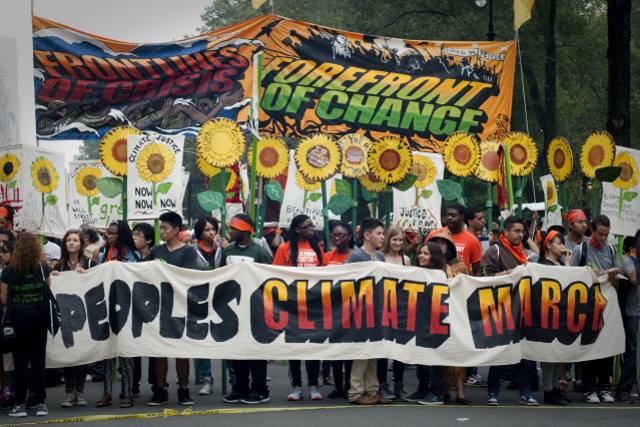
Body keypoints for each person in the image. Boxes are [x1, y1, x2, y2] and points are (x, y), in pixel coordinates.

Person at [146, 211, 207, 406]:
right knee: (159, 350)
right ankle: (161, 389)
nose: (161, 231)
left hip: (181, 307)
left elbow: (190, 276)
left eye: (164, 228)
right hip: (160, 307)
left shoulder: (188, 251)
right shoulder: (156, 252)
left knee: (182, 350)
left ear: (176, 230)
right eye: (160, 227)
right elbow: (141, 273)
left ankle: (183, 389)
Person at [482, 216, 538, 406]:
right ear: (505, 232)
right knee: (500, 352)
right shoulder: (495, 251)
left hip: (523, 310)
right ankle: (493, 391)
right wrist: (506, 275)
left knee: (523, 353)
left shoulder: (528, 255)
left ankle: (526, 391)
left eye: (522, 232)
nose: (520, 235)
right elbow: (483, 277)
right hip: (500, 310)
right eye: (516, 231)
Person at [220, 214, 273, 404]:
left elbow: (270, 280)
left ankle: (260, 389)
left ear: (243, 230)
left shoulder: (260, 253)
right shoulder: (227, 252)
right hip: (234, 310)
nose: (230, 232)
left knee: (257, 351)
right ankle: (240, 388)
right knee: (238, 350)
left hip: (256, 309)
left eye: (233, 228)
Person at [273, 215, 324, 401]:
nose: (312, 228)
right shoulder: (284, 249)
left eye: (312, 225)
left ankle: (312, 385)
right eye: (307, 226)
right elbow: (276, 274)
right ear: (297, 229)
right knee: (294, 347)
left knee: (313, 347)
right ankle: (296, 386)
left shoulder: (316, 248)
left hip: (313, 306)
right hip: (292, 306)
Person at [570, 214, 620, 404]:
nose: (603, 238)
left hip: (607, 306)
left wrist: (614, 277)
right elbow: (571, 277)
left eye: (606, 235)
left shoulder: (612, 251)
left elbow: (616, 283)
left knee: (606, 347)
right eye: (600, 234)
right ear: (592, 231)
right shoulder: (580, 250)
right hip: (586, 306)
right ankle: (589, 387)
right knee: (589, 347)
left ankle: (604, 387)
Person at [0, 233, 51, 417]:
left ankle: (20, 404)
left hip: (17, 320)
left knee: (20, 362)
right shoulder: (43, 266)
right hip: (40, 318)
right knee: (38, 361)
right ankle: (41, 404)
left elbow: (4, 299)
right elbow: (48, 291)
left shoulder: (8, 270)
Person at [345, 218, 391, 405]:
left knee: (374, 351)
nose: (382, 237)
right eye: (379, 233)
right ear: (366, 235)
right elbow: (347, 283)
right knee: (362, 351)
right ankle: (355, 392)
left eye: (382, 233)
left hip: (377, 311)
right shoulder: (357, 257)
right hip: (361, 311)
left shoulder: (380, 257)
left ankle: (372, 390)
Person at [95, 221, 139, 408]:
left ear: (122, 235)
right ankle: (107, 393)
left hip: (126, 309)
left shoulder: (132, 255)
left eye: (114, 234)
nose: (110, 237)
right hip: (106, 308)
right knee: (107, 353)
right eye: (108, 234)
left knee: (126, 354)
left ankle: (127, 393)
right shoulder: (103, 254)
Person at [52, 229, 94, 408]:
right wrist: (53, 277)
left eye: (75, 240)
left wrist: (87, 275)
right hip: (65, 316)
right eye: (68, 240)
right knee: (68, 353)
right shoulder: (59, 265)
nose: (71, 243)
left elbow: (96, 284)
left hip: (84, 315)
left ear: (81, 244)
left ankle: (81, 391)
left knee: (82, 354)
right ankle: (69, 393)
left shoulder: (90, 262)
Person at [427, 230, 470, 405]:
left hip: (457, 313)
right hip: (437, 314)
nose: (439, 245)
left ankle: (460, 393)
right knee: (441, 354)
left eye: (443, 242)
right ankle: (444, 390)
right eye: (436, 242)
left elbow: (468, 285)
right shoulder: (430, 267)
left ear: (450, 246)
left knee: (458, 354)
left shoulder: (459, 265)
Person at [403, 242, 446, 406]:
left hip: (434, 322)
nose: (421, 256)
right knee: (419, 358)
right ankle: (422, 389)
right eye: (420, 253)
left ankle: (437, 394)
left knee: (432, 359)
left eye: (426, 254)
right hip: (418, 320)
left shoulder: (440, 274)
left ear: (434, 257)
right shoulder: (416, 273)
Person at [537, 229, 571, 406]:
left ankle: (555, 387)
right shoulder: (544, 265)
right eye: (559, 243)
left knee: (557, 354)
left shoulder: (559, 264)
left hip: (560, 315)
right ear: (548, 245)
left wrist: (566, 262)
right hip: (548, 314)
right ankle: (548, 390)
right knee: (549, 355)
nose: (562, 247)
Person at [379, 225, 410, 400]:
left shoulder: (406, 260)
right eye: (394, 239)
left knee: (401, 350)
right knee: (383, 350)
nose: (397, 243)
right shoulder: (380, 259)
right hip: (384, 308)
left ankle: (399, 384)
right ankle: (383, 385)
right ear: (388, 240)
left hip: (402, 310)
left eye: (400, 240)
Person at [323, 221, 353, 399]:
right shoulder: (327, 257)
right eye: (334, 235)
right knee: (335, 350)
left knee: (349, 350)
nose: (337, 238)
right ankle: (338, 386)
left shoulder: (355, 256)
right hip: (332, 309)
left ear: (349, 237)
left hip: (350, 309)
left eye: (341, 235)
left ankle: (349, 384)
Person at [192, 216, 221, 395]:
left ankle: (233, 378)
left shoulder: (222, 250)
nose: (210, 233)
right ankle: (207, 378)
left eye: (213, 229)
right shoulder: (192, 250)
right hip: (200, 300)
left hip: (220, 300)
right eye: (206, 230)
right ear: (199, 232)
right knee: (202, 340)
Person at [131, 222, 156, 398]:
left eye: (137, 235)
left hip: (153, 308)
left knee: (154, 348)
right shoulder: (133, 258)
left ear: (148, 239)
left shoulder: (156, 258)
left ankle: (157, 384)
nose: (134, 238)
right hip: (136, 309)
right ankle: (133, 384)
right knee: (135, 347)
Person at [615, 231, 640, 403]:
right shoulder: (629, 260)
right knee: (633, 351)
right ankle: (624, 389)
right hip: (634, 313)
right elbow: (635, 278)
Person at [427, 203, 482, 275]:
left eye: (453, 215)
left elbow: (477, 270)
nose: (449, 218)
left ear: (462, 217)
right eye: (448, 215)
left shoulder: (472, 240)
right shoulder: (434, 235)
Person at [0, 241, 13, 408]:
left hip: (6, 319)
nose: (1, 255)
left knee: (6, 358)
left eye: (4, 251)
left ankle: (7, 389)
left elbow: (3, 298)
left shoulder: (8, 271)